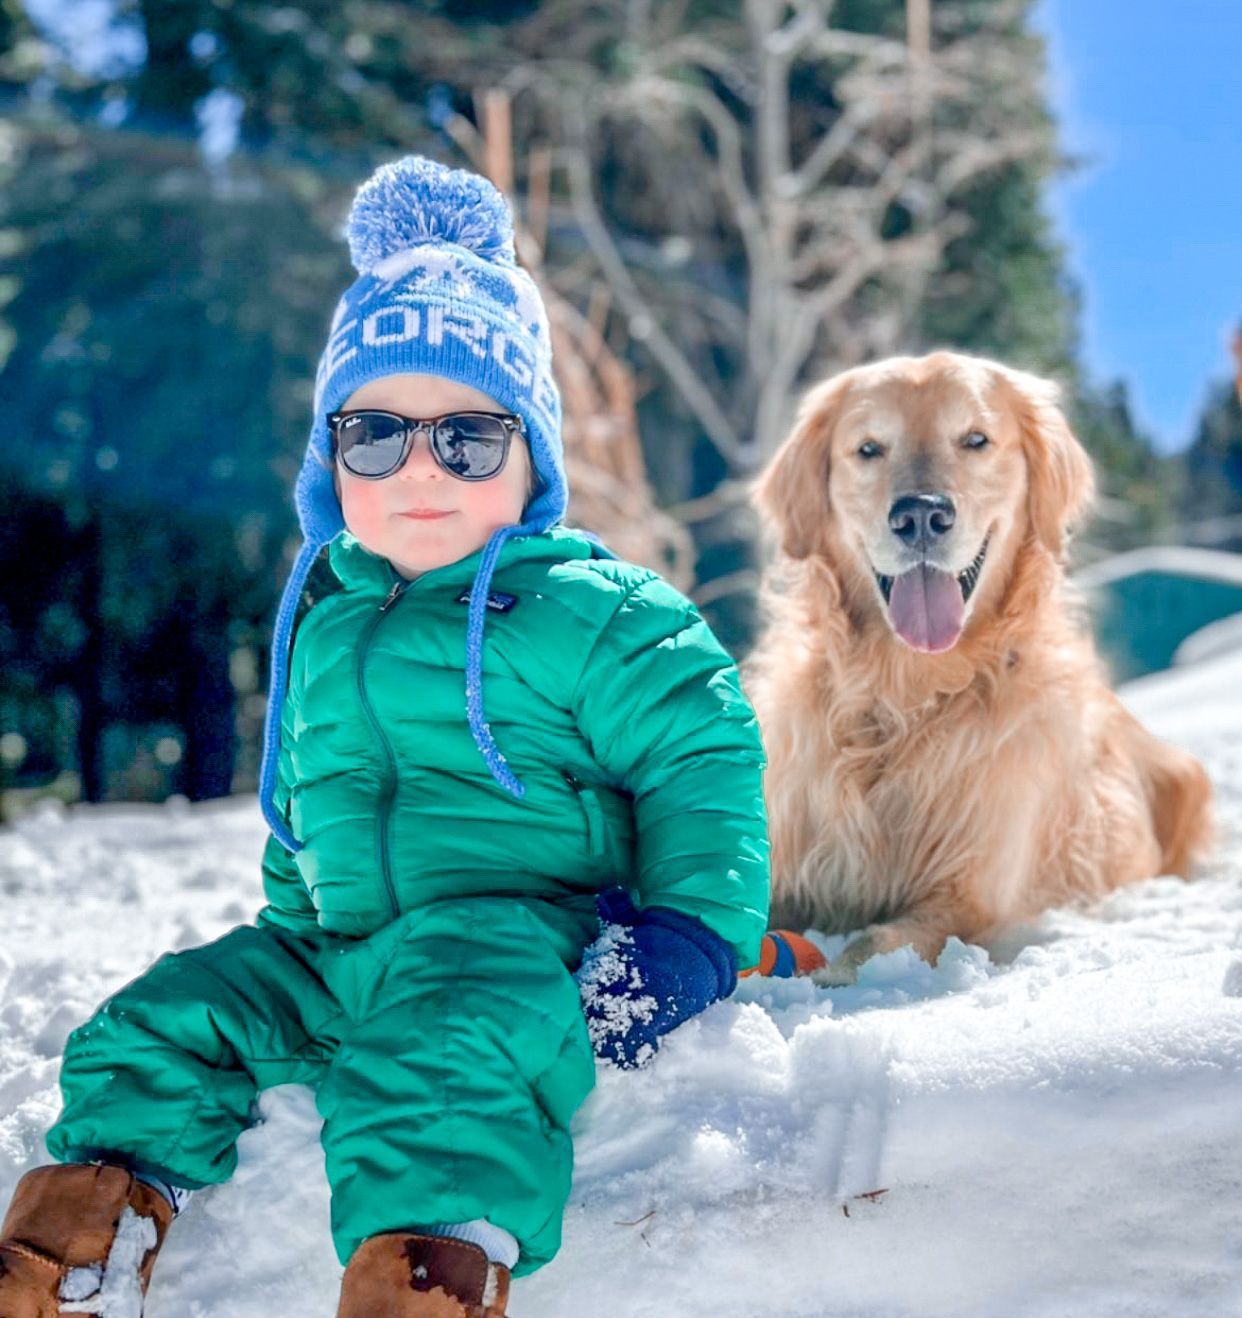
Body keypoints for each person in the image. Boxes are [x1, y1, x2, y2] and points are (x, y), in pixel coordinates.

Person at [0, 156, 769, 1317]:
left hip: (519, 940)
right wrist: (288, 939)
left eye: (466, 438)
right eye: (376, 436)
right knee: (155, 1022)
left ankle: (422, 1281)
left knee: (445, 1059)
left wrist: (692, 934)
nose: (420, 467)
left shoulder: (597, 608)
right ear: (332, 463)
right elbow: (304, 806)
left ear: (531, 458)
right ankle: (75, 1248)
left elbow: (701, 758)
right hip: (345, 946)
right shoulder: (323, 618)